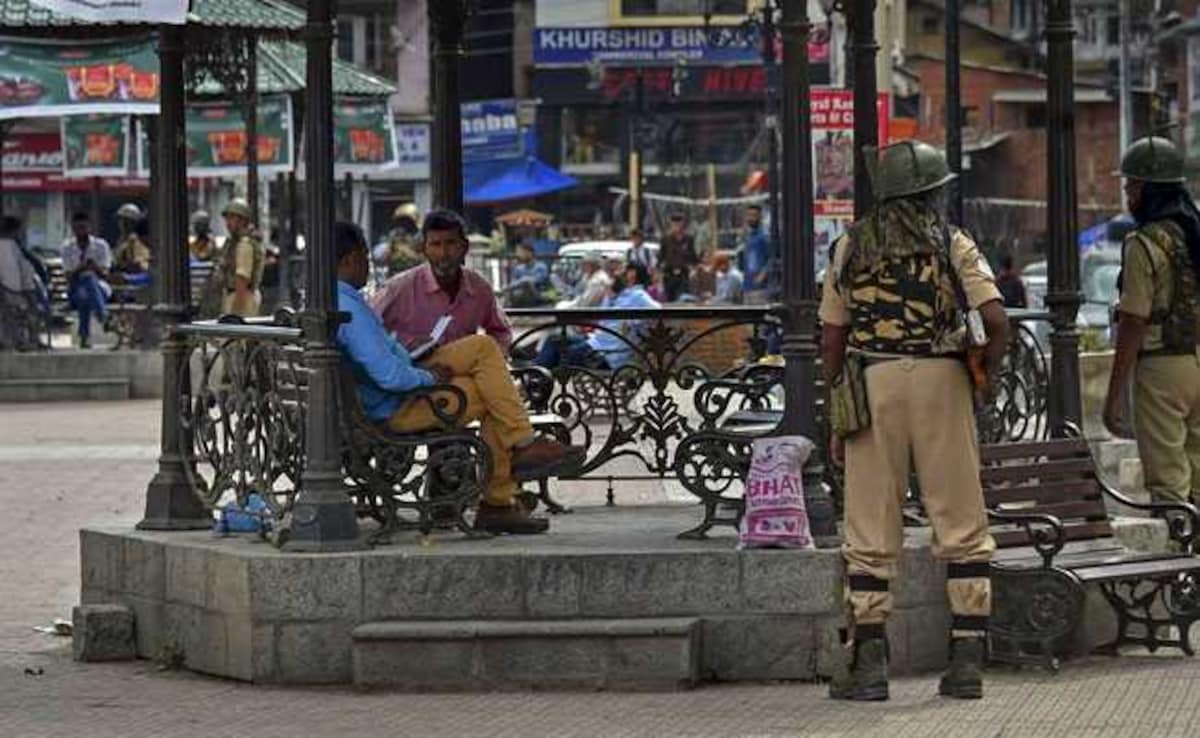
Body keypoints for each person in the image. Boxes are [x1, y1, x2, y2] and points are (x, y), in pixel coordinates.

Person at [820, 141, 1009, 701]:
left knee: (869, 524)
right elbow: (996, 319)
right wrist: (985, 375)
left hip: (874, 380)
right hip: (942, 381)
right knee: (961, 519)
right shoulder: (952, 241)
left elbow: (832, 336)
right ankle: (966, 663)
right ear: (930, 193)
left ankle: (870, 666)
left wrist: (839, 403)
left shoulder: (849, 244)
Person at [334, 221, 579, 534]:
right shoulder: (353, 306)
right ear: (350, 260)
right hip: (397, 403)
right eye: (366, 257)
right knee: (494, 397)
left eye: (450, 244)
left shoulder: (343, 300)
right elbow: (389, 375)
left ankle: (517, 458)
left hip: (406, 382)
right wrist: (427, 376)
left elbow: (498, 333)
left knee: (483, 350)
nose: (370, 265)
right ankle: (500, 497)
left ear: (463, 247)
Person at [1104, 135, 1200, 506]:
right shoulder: (1194, 235)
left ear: (1147, 190)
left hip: (1162, 370)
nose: (1129, 196)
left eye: (1131, 187)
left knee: (1169, 485)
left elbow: (1133, 322)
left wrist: (1114, 395)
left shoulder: (1143, 243)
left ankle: (1177, 540)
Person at [372, 209, 514, 354]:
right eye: (435, 244)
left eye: (451, 243)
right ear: (424, 249)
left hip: (464, 365)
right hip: (413, 366)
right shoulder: (400, 287)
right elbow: (366, 326)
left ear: (464, 247)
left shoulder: (479, 288)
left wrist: (490, 356)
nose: (443, 254)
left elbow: (501, 333)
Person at [535, 261, 661, 371]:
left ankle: (533, 375)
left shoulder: (639, 296)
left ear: (632, 274)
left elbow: (657, 310)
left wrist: (635, 322)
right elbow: (604, 318)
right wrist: (609, 296)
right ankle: (534, 372)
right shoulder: (621, 294)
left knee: (561, 355)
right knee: (554, 340)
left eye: (622, 269)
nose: (617, 273)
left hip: (606, 354)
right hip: (595, 343)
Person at [60, 211, 112, 348]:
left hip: (100, 289)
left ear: (89, 227)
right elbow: (68, 277)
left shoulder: (101, 246)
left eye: (83, 227)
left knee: (85, 292)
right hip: (74, 288)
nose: (80, 231)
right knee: (84, 288)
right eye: (77, 228)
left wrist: (94, 267)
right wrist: (81, 267)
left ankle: (84, 336)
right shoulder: (67, 247)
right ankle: (102, 316)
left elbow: (106, 275)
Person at [214, 198, 266, 317]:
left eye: (232, 218)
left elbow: (242, 278)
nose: (228, 222)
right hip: (234, 296)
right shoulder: (233, 243)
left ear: (243, 220)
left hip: (242, 298)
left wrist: (236, 310)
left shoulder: (244, 244)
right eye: (227, 218)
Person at [373, 202, 423, 276]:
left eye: (406, 220)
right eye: (400, 221)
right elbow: (379, 257)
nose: (403, 224)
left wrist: (404, 250)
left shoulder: (421, 237)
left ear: (413, 221)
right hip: (395, 277)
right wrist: (389, 249)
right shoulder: (394, 236)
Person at [659, 212, 697, 302]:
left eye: (679, 224)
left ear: (683, 224)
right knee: (669, 298)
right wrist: (658, 269)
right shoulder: (665, 239)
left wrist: (695, 267)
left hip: (683, 273)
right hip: (669, 273)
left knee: (682, 297)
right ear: (671, 224)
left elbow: (693, 255)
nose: (677, 226)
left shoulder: (688, 238)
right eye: (674, 224)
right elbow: (661, 256)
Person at [111, 204, 152, 287]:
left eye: (125, 221)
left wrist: (127, 272)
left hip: (133, 281)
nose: (122, 224)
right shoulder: (121, 241)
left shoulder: (136, 240)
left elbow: (142, 266)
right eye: (121, 220)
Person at [741, 204, 771, 303]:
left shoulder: (764, 236)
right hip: (747, 285)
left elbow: (772, 258)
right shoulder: (748, 236)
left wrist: (763, 274)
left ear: (760, 217)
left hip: (761, 287)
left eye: (754, 215)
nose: (751, 218)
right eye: (749, 215)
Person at [507, 242, 553, 307]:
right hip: (520, 295)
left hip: (537, 294)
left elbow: (538, 280)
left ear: (529, 253)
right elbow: (512, 284)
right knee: (512, 291)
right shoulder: (518, 268)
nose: (519, 255)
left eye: (521, 252)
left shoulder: (541, 267)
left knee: (527, 284)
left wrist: (523, 280)